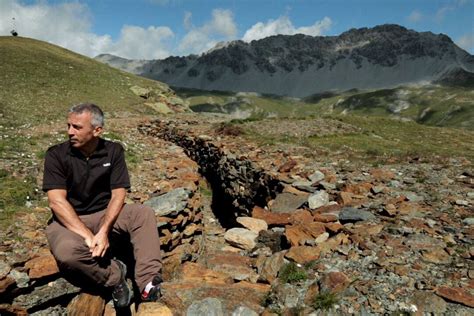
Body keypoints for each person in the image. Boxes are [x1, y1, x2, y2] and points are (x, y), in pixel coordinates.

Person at [42, 103, 162, 308]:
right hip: (68, 221)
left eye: (77, 127)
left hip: (104, 213)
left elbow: (118, 194)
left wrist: (104, 231)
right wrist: (88, 236)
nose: (69, 132)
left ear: (97, 130)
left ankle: (148, 283)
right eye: (68, 125)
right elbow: (56, 201)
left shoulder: (113, 151)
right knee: (67, 253)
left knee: (143, 214)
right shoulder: (56, 154)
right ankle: (115, 276)